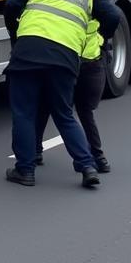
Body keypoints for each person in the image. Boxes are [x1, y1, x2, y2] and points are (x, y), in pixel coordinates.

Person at [2, 0, 121, 189]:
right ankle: (87, 166)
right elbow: (113, 16)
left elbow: (12, 4)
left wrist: (17, 37)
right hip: (66, 57)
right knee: (64, 113)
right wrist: (100, 40)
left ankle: (25, 170)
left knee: (24, 112)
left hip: (29, 51)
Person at [34, 18, 110, 173]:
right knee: (85, 111)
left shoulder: (62, 8)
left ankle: (35, 152)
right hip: (92, 62)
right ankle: (99, 158)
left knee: (47, 104)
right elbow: (112, 17)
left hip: (67, 62)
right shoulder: (92, 1)